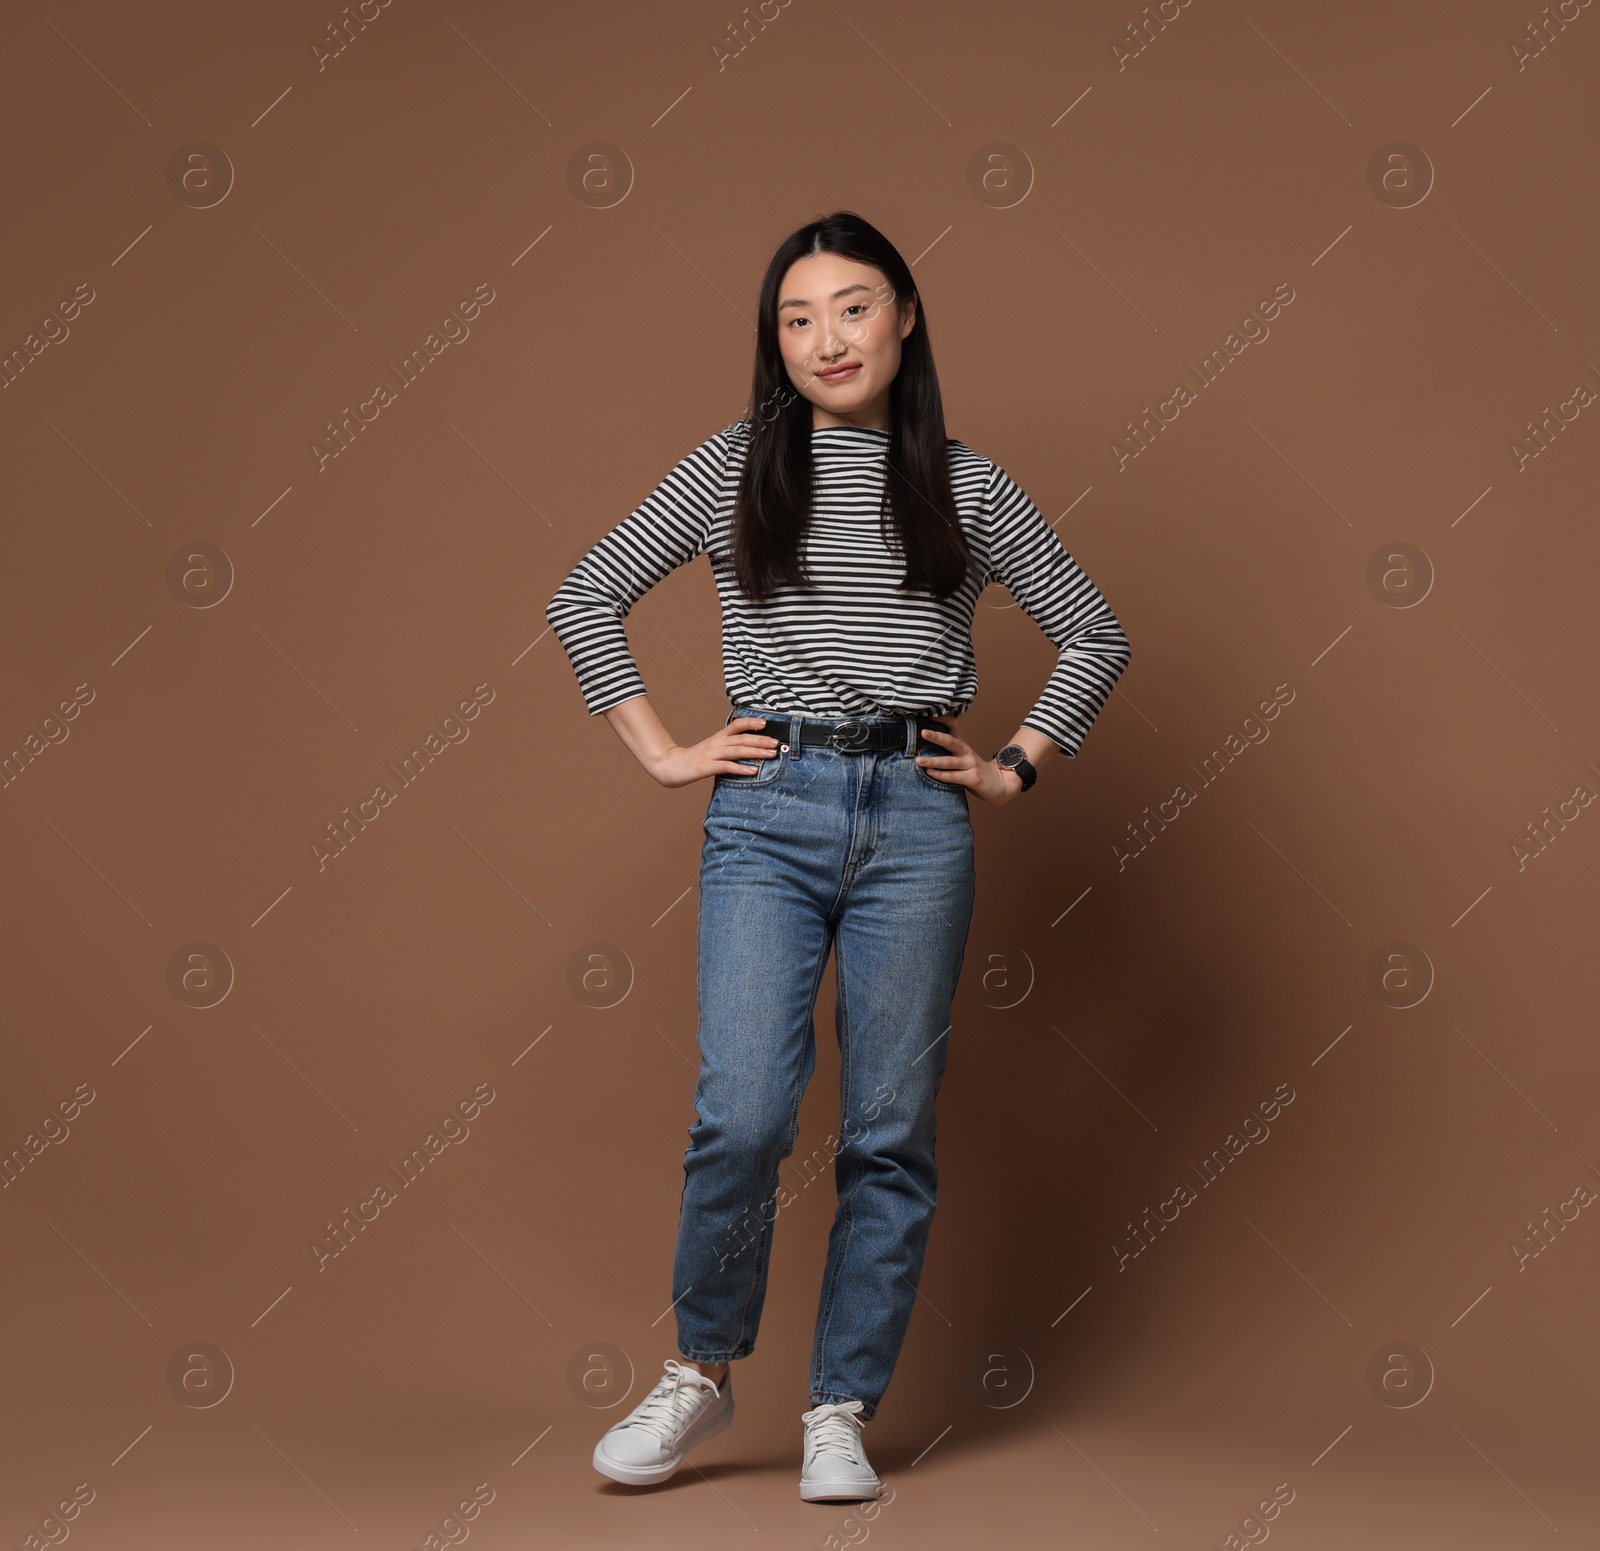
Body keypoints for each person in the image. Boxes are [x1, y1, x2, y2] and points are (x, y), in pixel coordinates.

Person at [545, 210, 1131, 1503]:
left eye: (853, 308)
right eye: (797, 318)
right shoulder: (734, 468)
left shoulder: (965, 487)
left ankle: (839, 1407)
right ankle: (701, 1372)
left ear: (906, 318)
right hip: (769, 809)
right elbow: (585, 593)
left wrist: (1016, 763)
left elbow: (1093, 634)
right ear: (775, 341)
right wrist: (660, 752)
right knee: (743, 1112)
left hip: (918, 825)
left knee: (887, 1129)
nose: (826, 339)